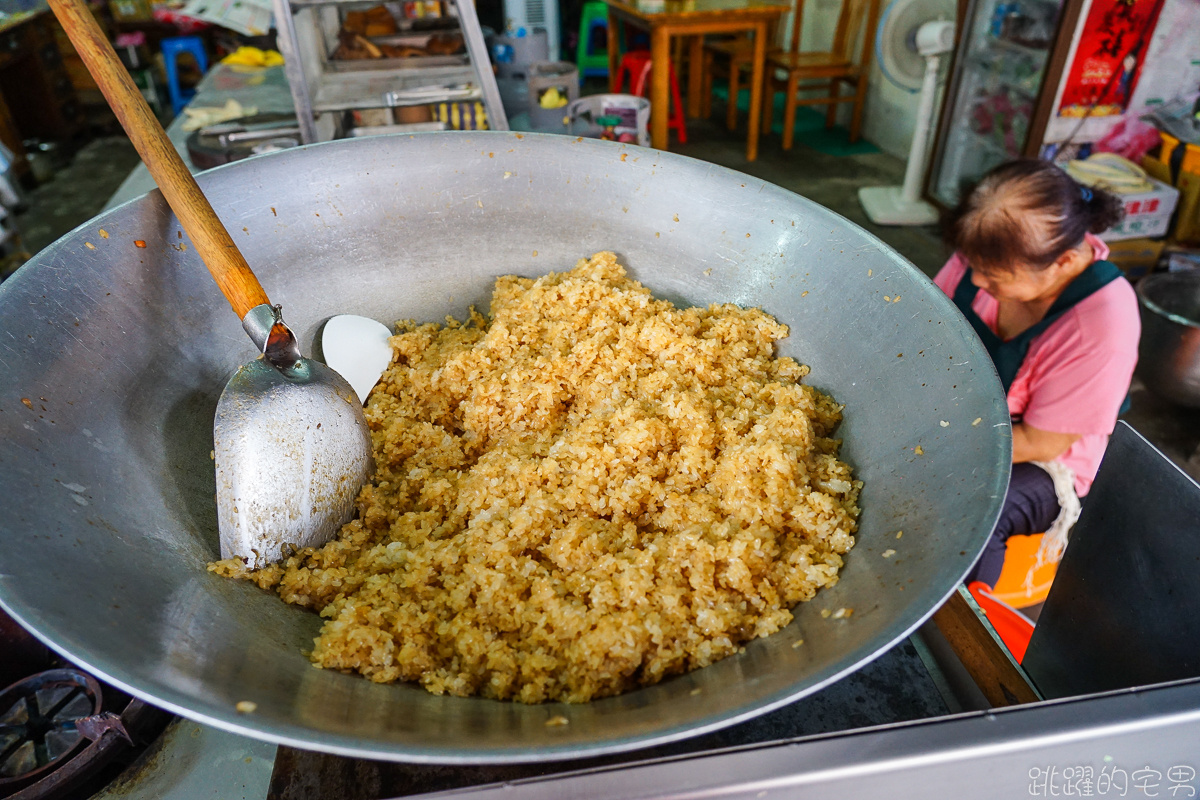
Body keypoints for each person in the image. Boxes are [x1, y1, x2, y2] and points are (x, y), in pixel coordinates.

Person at [935, 159, 1140, 588]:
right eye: (971, 263)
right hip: (958, 412)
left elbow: (1041, 441)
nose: (974, 278)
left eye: (993, 277)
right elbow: (930, 324)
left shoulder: (1102, 324)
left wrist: (936, 446)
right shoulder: (992, 249)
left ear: (1064, 260)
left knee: (977, 512)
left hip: (1040, 455)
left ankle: (961, 638)